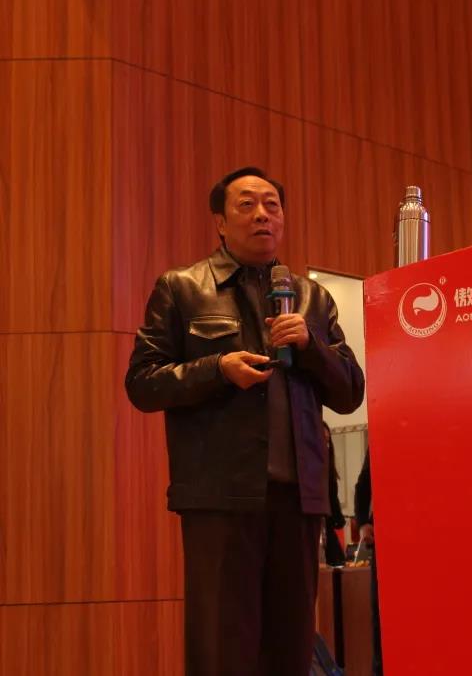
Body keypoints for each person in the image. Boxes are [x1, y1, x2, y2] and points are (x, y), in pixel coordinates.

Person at [125, 166, 365, 676]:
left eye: (272, 205)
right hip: (220, 499)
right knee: (222, 648)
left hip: (300, 500)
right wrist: (217, 369)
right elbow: (142, 383)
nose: (262, 215)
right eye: (247, 204)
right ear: (220, 221)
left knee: (291, 647)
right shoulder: (182, 287)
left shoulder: (311, 298)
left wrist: (311, 346)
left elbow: (350, 394)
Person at [354, 448, 383, 675]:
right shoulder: (381, 440)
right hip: (386, 538)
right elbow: (363, 485)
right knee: (382, 619)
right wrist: (363, 522)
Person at [323, 421, 347, 566]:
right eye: (322, 440)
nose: (326, 446)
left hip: (328, 528)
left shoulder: (329, 474)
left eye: (327, 441)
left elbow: (332, 499)